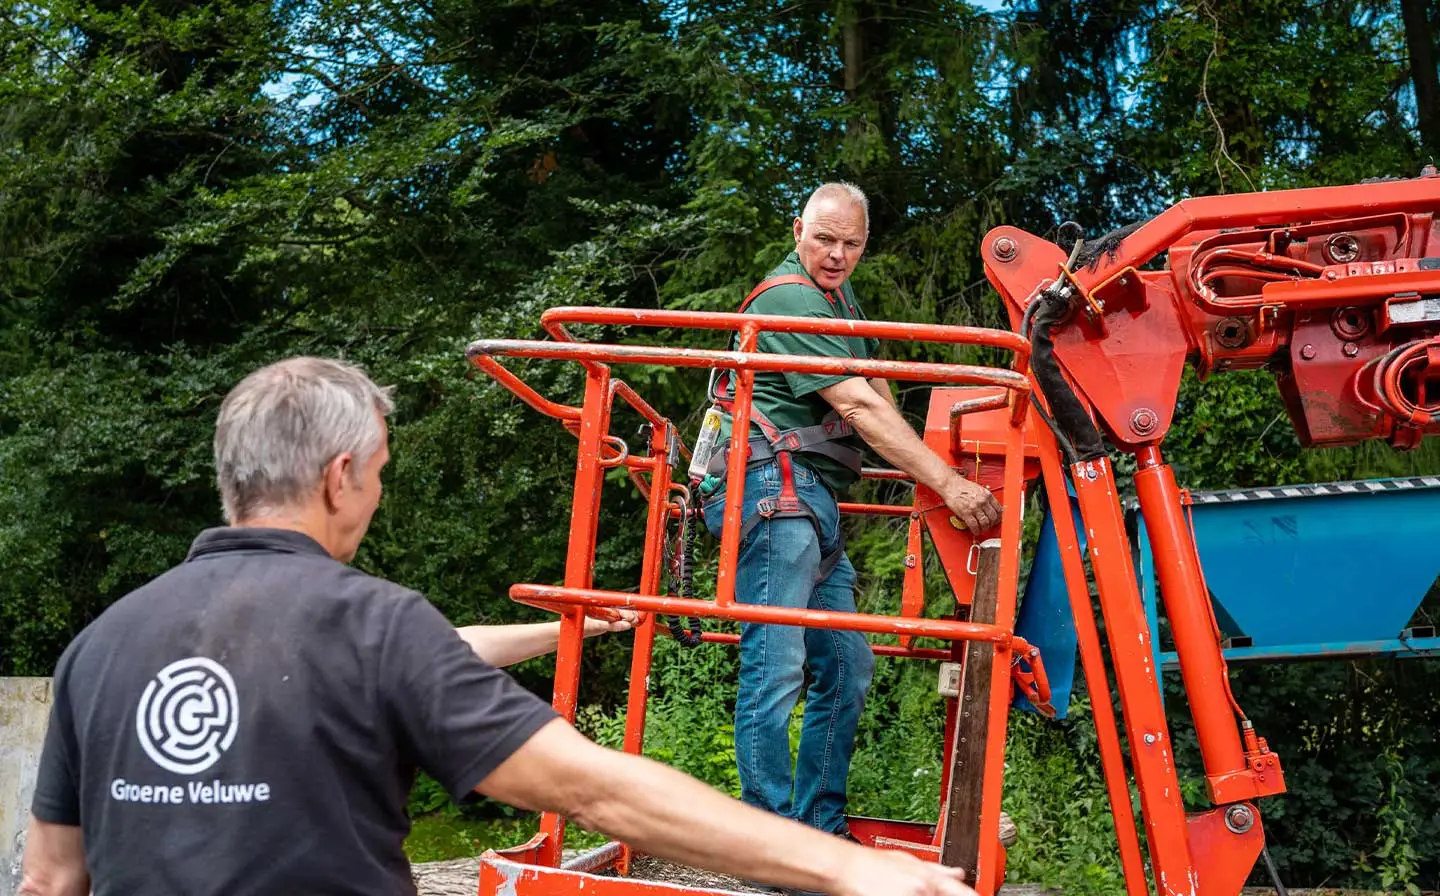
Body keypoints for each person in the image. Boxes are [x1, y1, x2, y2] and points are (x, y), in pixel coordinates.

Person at [18, 356, 976, 896]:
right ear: (341, 474)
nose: (376, 494)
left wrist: (569, 634)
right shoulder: (370, 627)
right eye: (381, 473)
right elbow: (595, 789)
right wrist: (851, 872)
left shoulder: (101, 647)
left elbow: (53, 880)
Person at [697, 183, 1003, 843]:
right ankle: (768, 842)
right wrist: (947, 484)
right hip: (772, 493)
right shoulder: (790, 298)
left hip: (809, 501)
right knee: (774, 661)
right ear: (797, 229)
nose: (836, 254)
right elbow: (859, 408)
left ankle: (818, 829)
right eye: (824, 239)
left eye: (851, 243)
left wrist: (925, 465)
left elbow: (876, 392)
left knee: (845, 662)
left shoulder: (838, 299)